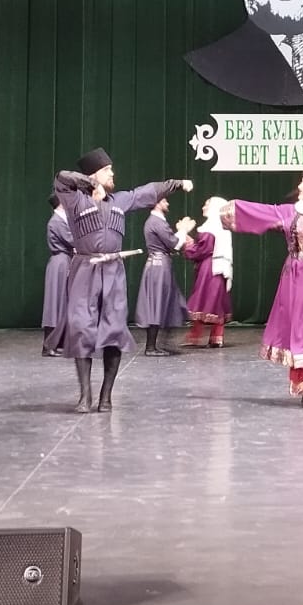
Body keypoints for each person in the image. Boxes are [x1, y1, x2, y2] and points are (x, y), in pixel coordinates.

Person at [55, 148, 191, 413]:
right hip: (85, 269)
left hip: (113, 272)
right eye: (107, 170)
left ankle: (106, 397)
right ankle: (85, 396)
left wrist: (177, 183)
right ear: (94, 173)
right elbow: (62, 177)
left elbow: (149, 191)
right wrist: (90, 184)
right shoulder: (75, 200)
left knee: (114, 332)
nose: (113, 173)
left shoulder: (120, 200)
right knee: (82, 329)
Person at [219, 169, 303, 406]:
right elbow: (263, 213)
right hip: (294, 276)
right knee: (299, 328)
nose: (300, 186)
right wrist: (232, 209)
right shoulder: (290, 211)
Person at [135, 195, 188, 356]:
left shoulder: (155, 221)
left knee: (162, 302)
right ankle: (151, 347)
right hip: (159, 266)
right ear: (157, 203)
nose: (167, 203)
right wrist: (183, 230)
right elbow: (174, 243)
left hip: (158, 264)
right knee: (156, 304)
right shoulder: (157, 222)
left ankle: (157, 344)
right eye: (164, 201)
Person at [178, 196, 233, 348]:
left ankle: (195, 336)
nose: (203, 207)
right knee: (216, 300)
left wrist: (187, 242)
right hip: (218, 267)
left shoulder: (210, 229)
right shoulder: (220, 228)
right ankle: (216, 337)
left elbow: (202, 250)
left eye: (206, 204)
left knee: (203, 298)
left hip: (209, 269)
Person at [41, 197, 72, 357]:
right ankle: (49, 345)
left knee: (62, 303)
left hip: (64, 261)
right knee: (54, 304)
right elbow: (71, 240)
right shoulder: (57, 222)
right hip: (60, 263)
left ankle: (58, 342)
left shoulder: (62, 220)